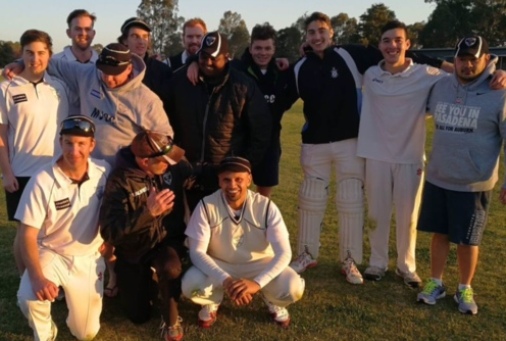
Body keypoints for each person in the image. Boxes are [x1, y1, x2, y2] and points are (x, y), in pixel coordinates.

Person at [288, 12, 451, 285]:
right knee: (312, 197)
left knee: (353, 199)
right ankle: (307, 253)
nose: (317, 37)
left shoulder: (353, 55)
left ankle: (352, 260)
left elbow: (406, 57)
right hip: (318, 144)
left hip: (353, 142)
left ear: (332, 33)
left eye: (322, 31)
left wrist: (458, 67)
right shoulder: (299, 67)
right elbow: (278, 91)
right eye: (311, 32)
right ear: (306, 37)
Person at [416, 35, 506, 315]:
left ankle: (465, 287)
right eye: (462, 59)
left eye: (473, 59)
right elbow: (415, 64)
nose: (467, 65)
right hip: (439, 176)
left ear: (487, 60)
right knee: (439, 235)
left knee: (468, 240)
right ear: (454, 60)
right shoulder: (440, 86)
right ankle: (435, 282)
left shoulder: (500, 92)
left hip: (474, 183)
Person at [356, 21, 448, 288]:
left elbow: (463, 76)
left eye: (398, 40)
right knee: (377, 212)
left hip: (410, 155)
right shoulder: (370, 75)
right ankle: (377, 263)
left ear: (408, 45)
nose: (392, 45)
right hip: (375, 154)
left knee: (408, 217)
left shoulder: (427, 73)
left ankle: (407, 267)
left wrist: (496, 75)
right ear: (379, 46)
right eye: (386, 40)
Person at [181, 156, 305, 329]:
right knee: (191, 285)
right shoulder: (206, 205)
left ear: (249, 179)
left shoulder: (266, 206)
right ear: (219, 181)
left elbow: (284, 253)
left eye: (239, 179)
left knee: (293, 288)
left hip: (259, 264)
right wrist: (226, 280)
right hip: (221, 264)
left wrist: (257, 283)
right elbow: (197, 252)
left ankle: (273, 300)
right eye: (226, 179)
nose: (232, 185)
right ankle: (212, 301)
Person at [16, 115, 110, 341]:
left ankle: (75, 310)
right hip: (52, 252)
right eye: (68, 143)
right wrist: (37, 277)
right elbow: (27, 234)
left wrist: (110, 244)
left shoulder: (103, 172)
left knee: (86, 333)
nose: (74, 150)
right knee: (28, 295)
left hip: (88, 257)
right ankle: (46, 333)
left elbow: (114, 212)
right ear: (60, 142)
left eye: (81, 144)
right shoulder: (42, 180)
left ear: (92, 145)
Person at [166, 32, 271, 211]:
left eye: (213, 58)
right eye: (203, 56)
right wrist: (176, 157)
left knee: (226, 234)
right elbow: (164, 122)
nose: (207, 62)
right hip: (186, 172)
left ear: (226, 57)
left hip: (225, 177)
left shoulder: (243, 86)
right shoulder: (180, 81)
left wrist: (241, 167)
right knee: (188, 233)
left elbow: (260, 131)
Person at [100, 131, 189, 341]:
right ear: (145, 161)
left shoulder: (174, 168)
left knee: (170, 268)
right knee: (138, 315)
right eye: (164, 162)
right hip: (133, 250)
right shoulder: (120, 181)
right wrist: (148, 213)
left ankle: (171, 319)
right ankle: (147, 280)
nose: (170, 164)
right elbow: (110, 231)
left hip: (166, 242)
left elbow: (195, 176)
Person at [0, 29, 68, 275]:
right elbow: (1, 135)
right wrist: (7, 173)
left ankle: (49, 276)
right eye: (29, 53)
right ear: (22, 54)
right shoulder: (7, 86)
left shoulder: (60, 87)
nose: (35, 58)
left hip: (54, 170)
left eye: (41, 53)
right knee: (24, 231)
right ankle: (26, 281)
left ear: (49, 54)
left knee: (50, 229)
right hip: (21, 172)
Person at [231, 23, 293, 198]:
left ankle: (259, 225)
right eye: (258, 48)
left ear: (274, 49)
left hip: (270, 142)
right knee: (237, 190)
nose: (262, 52)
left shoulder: (281, 71)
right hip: (241, 141)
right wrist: (193, 63)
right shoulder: (237, 69)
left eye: (267, 48)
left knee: (264, 194)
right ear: (250, 48)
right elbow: (211, 63)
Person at [118, 17, 172, 101]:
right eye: (135, 36)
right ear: (125, 40)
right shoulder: (114, 69)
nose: (141, 41)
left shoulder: (162, 71)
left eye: (145, 36)